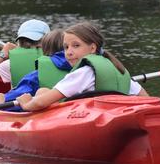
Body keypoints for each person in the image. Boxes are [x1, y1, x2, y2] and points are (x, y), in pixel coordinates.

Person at [17, 22, 148, 112]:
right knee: (43, 92)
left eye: (76, 46)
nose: (68, 52)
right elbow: (147, 99)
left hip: (88, 121)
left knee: (41, 93)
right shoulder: (119, 70)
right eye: (66, 47)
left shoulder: (83, 73)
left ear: (92, 48)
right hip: (113, 115)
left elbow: (41, 103)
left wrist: (26, 104)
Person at [0, 29, 67, 105]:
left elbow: (19, 95)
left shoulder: (36, 75)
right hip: (69, 106)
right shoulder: (77, 69)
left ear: (43, 50)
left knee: (24, 97)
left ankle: (3, 99)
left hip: (45, 107)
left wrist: (5, 99)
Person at [0, 19, 50, 88]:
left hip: (21, 98)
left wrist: (3, 53)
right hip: (51, 98)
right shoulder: (58, 60)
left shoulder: (10, 64)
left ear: (19, 43)